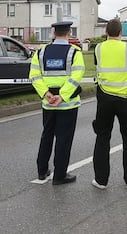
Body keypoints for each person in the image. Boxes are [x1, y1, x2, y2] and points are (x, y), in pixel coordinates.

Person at [29, 20, 85, 185]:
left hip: (48, 103)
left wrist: (47, 94)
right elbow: (77, 76)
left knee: (47, 135)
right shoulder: (74, 52)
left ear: (53, 33)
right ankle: (60, 175)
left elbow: (34, 76)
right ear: (69, 34)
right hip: (68, 104)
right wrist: (62, 96)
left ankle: (42, 171)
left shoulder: (40, 52)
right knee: (63, 139)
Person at [92, 18, 127, 190]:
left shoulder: (98, 48)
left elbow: (98, 66)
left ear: (106, 32)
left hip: (104, 98)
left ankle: (101, 180)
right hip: (125, 99)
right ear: (121, 33)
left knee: (102, 137)